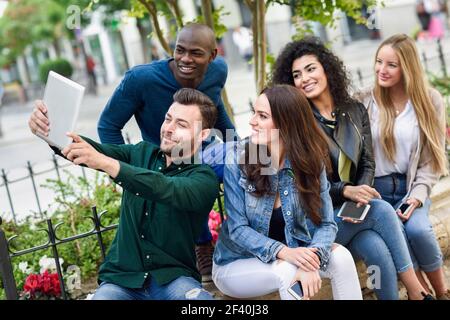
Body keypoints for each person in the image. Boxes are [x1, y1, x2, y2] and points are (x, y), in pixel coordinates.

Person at [28, 23, 236, 282]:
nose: (185, 58)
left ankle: (241, 239)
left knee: (251, 163)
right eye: (180, 50)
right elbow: (108, 125)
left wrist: (234, 143)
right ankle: (201, 242)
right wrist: (116, 169)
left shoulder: (219, 70)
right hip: (159, 159)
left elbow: (216, 106)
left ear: (212, 56)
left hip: (204, 150)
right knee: (176, 186)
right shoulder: (141, 79)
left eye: (196, 53)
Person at [272, 37, 434, 300]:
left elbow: (367, 162)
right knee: (381, 209)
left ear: (326, 68)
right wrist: (348, 192)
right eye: (297, 75)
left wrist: (361, 195)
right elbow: (308, 184)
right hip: (318, 222)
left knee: (376, 248)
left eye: (311, 69)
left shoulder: (355, 110)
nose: (305, 78)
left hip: (352, 210)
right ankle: (416, 291)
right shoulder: (298, 124)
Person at [29, 88, 220, 300]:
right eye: (168, 119)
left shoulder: (203, 178)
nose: (169, 129)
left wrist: (109, 164)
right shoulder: (140, 153)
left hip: (172, 280)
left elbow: (166, 187)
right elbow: (87, 150)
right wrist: (50, 130)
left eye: (181, 124)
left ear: (203, 134)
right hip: (122, 281)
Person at [213, 85, 363, 300]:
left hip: (294, 254)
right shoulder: (238, 159)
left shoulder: (310, 162)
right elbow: (238, 229)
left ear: (287, 123)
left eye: (262, 116)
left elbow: (327, 224)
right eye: (254, 112)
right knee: (288, 272)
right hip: (238, 263)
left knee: (342, 259)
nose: (252, 121)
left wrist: (312, 257)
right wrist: (287, 254)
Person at [363, 34, 449, 300]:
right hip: (377, 193)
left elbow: (431, 160)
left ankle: (442, 290)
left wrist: (417, 195)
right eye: (379, 62)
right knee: (399, 236)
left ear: (408, 68)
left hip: (410, 188)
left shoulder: (429, 100)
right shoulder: (365, 99)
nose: (382, 69)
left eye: (392, 64)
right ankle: (422, 294)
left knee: (419, 230)